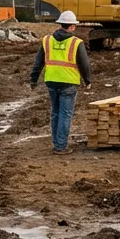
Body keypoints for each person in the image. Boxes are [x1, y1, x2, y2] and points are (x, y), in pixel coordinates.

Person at [29, 10, 92, 154]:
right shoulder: (76, 43)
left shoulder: (47, 40)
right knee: (65, 114)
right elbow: (84, 64)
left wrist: (33, 79)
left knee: (55, 112)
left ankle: (57, 143)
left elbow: (38, 63)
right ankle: (60, 146)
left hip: (51, 81)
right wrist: (87, 80)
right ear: (72, 26)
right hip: (69, 83)